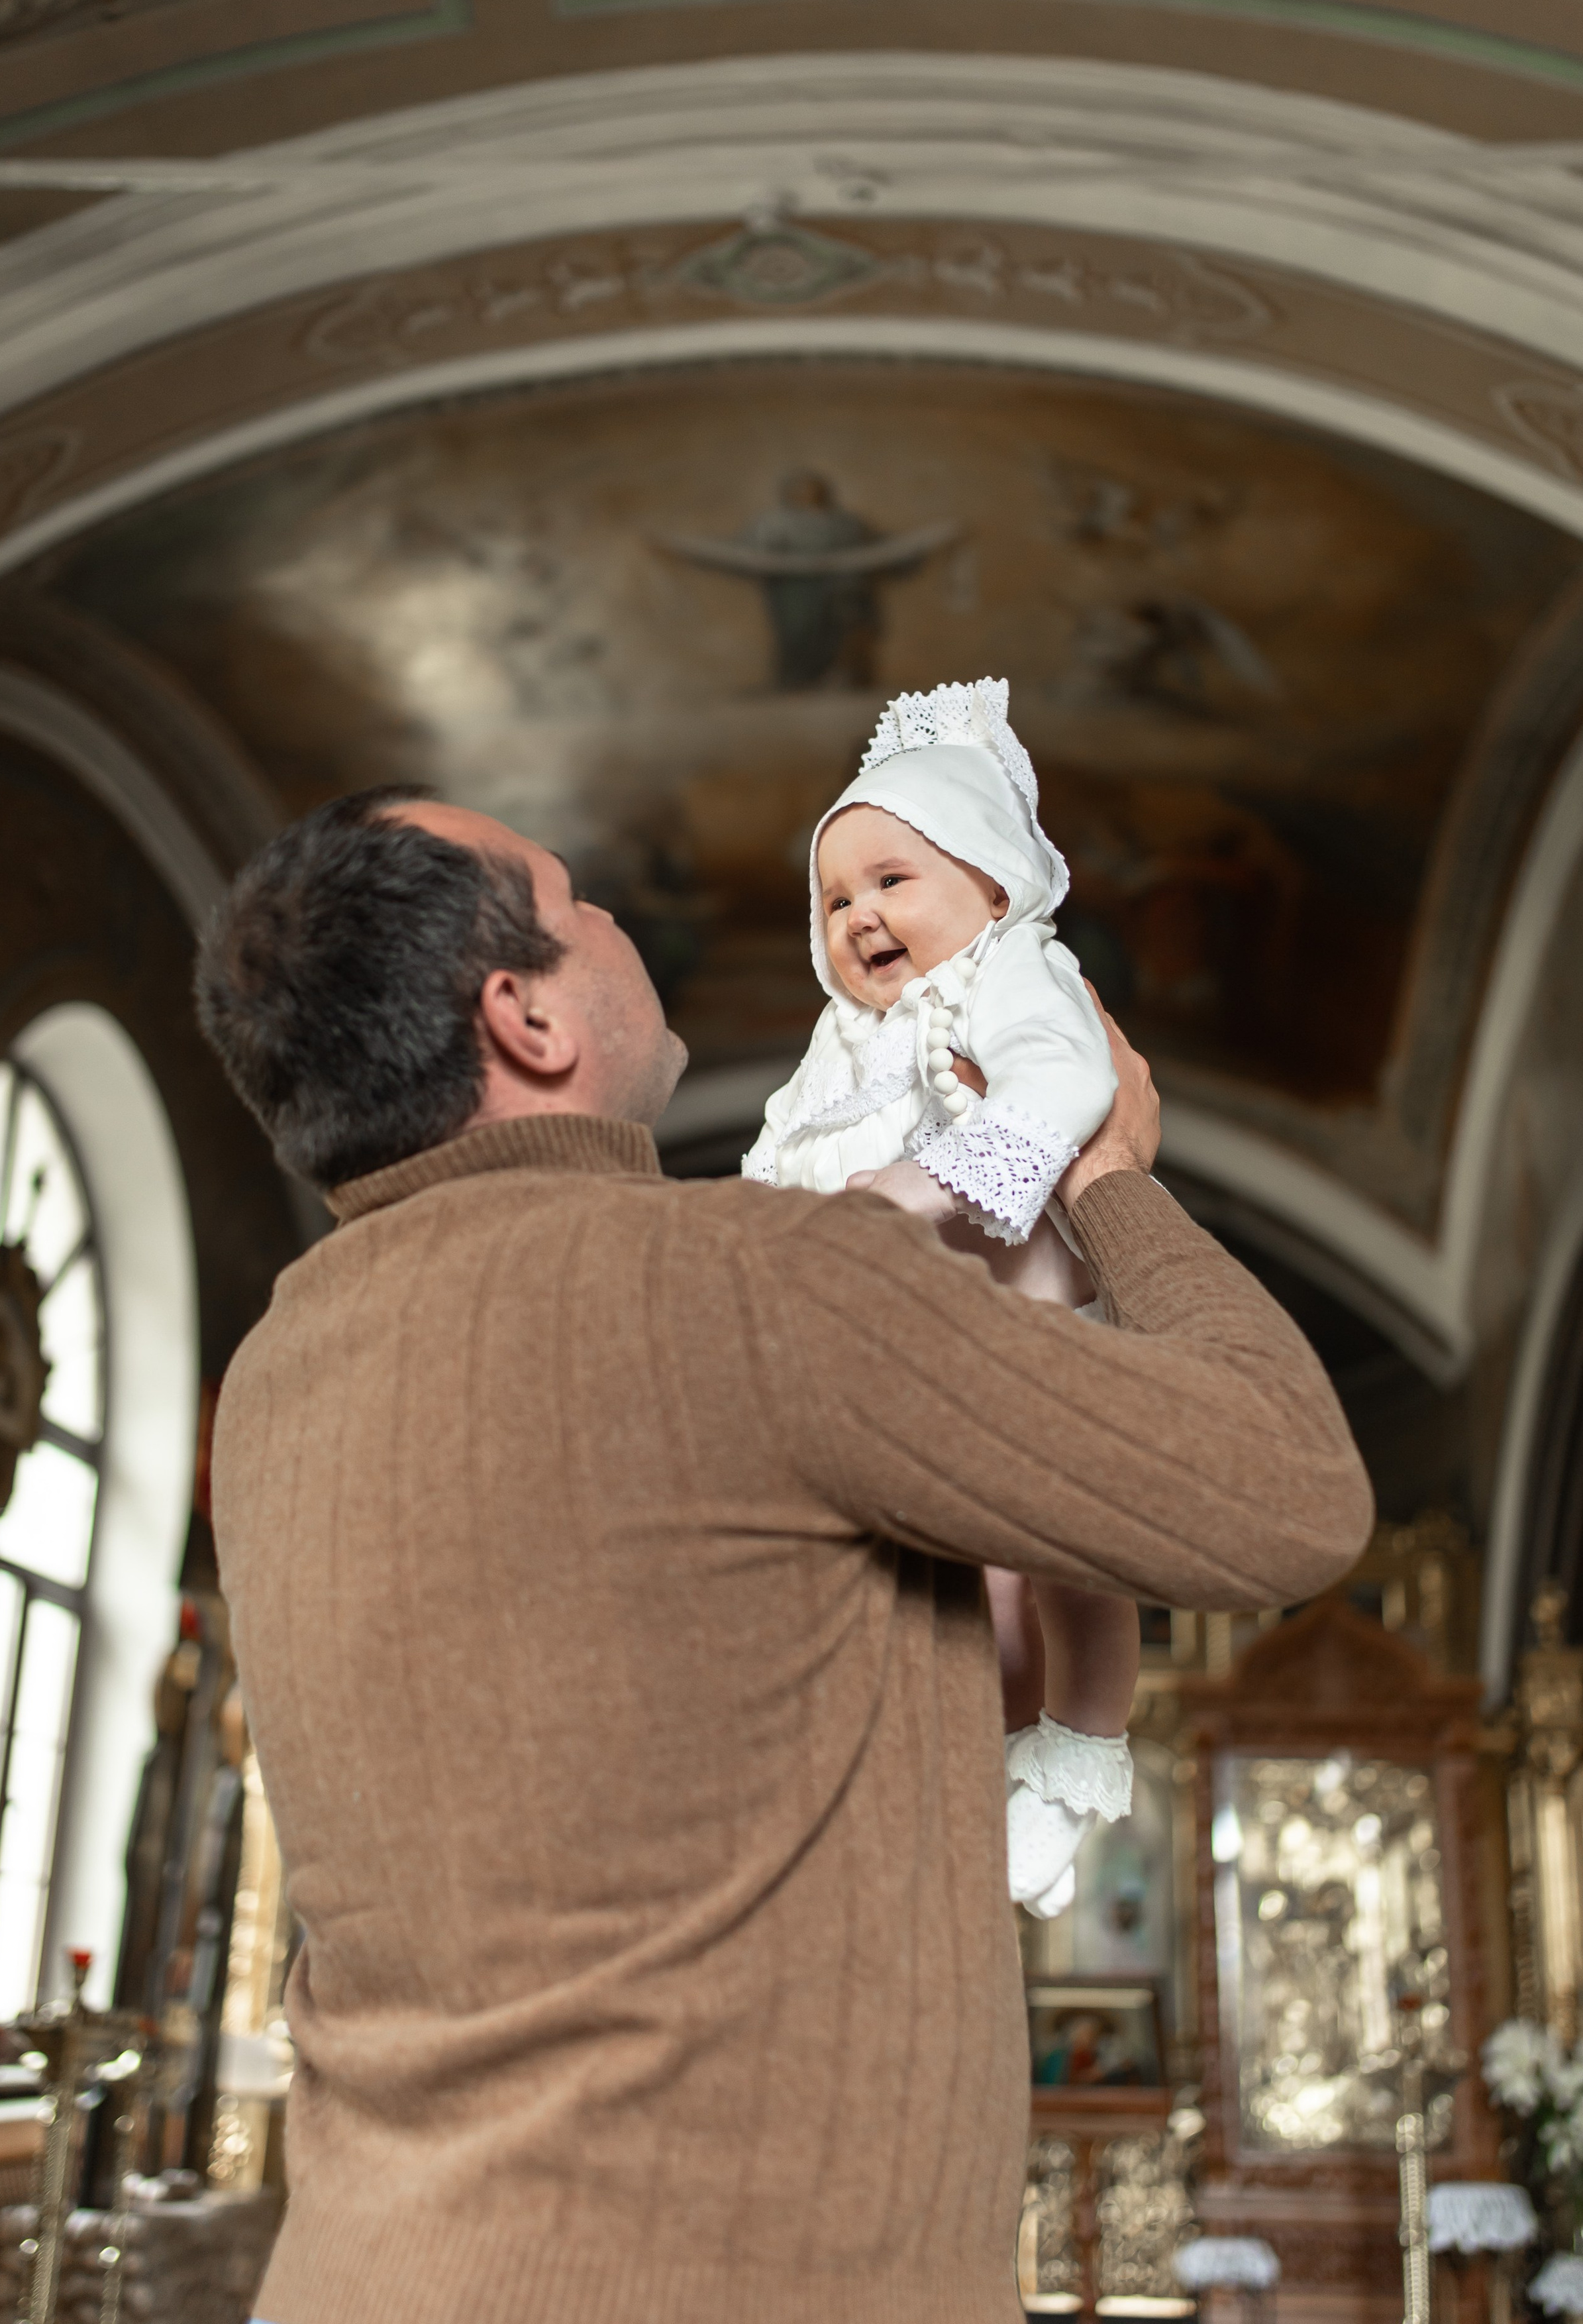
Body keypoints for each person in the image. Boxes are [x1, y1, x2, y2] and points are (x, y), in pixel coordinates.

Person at [195, 782, 1372, 2324]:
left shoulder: (277, 1371)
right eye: (579, 902)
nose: (617, 917)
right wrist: (1109, 1186)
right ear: (525, 1018)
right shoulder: (755, 1285)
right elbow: (1289, 1488)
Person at [742, 676, 1140, 1920]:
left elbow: (1067, 1087)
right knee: (943, 1586)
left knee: (1071, 1552)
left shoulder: (1016, 975)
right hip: (908, 1364)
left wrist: (914, 1187)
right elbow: (775, 1153)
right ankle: (959, 1773)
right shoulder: (839, 1043)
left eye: (892, 880)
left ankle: (1078, 1760)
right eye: (835, 897)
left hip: (1030, 1333)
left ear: (992, 884)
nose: (859, 913)